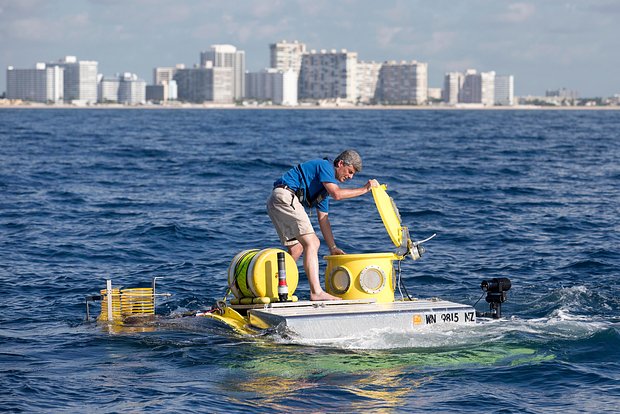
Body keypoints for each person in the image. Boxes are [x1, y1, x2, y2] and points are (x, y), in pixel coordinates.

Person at [266, 149, 379, 301]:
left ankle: (275, 290)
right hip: (285, 196)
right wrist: (365, 189)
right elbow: (337, 194)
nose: (350, 177)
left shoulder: (323, 191)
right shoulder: (325, 167)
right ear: (340, 163)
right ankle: (316, 292)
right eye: (350, 171)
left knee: (297, 248)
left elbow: (323, 219)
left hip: (276, 200)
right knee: (313, 243)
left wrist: (332, 247)